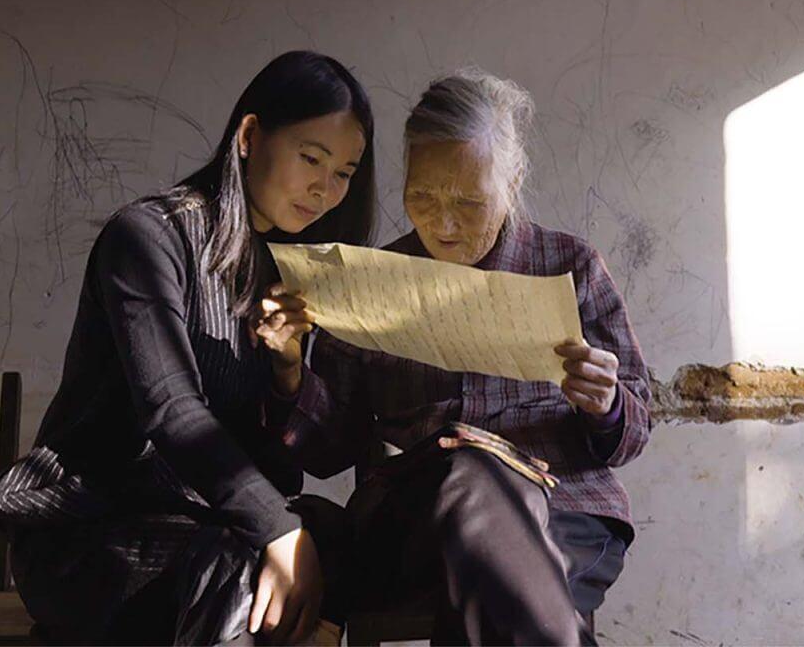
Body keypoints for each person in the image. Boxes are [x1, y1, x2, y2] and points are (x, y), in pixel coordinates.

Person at [0, 51, 376, 645]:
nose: (325, 188)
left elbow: (297, 467)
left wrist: (287, 371)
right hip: (93, 534)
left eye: (344, 172)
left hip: (209, 526)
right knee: (246, 566)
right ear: (249, 136)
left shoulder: (288, 268)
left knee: (335, 536)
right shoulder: (148, 238)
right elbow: (173, 412)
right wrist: (276, 529)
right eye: (311, 157)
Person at [257, 71, 652, 646]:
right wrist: (289, 370)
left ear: (512, 179)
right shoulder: (369, 281)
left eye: (468, 202)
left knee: (493, 566)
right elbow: (326, 452)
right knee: (470, 478)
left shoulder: (570, 265)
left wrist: (609, 405)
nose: (441, 224)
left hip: (566, 513)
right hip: (418, 521)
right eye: (421, 196)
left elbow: (634, 432)